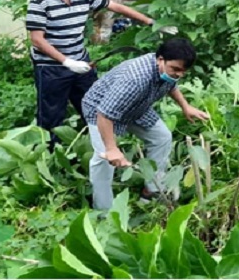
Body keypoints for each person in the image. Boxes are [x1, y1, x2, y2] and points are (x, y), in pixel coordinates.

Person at [26, 0, 177, 148]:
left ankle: (99, 151)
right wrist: (66, 62)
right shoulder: (40, 1)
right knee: (51, 115)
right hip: (51, 67)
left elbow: (116, 7)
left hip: (81, 62)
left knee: (94, 105)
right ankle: (49, 158)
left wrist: (150, 22)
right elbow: (37, 39)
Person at [81, 37, 209, 210]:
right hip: (100, 108)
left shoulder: (168, 69)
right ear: (160, 59)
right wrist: (111, 148)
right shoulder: (135, 79)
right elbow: (105, 114)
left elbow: (171, 84)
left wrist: (186, 106)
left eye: (183, 72)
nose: (178, 74)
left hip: (136, 105)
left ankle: (152, 191)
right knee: (103, 160)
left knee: (162, 137)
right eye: (176, 69)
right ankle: (104, 213)